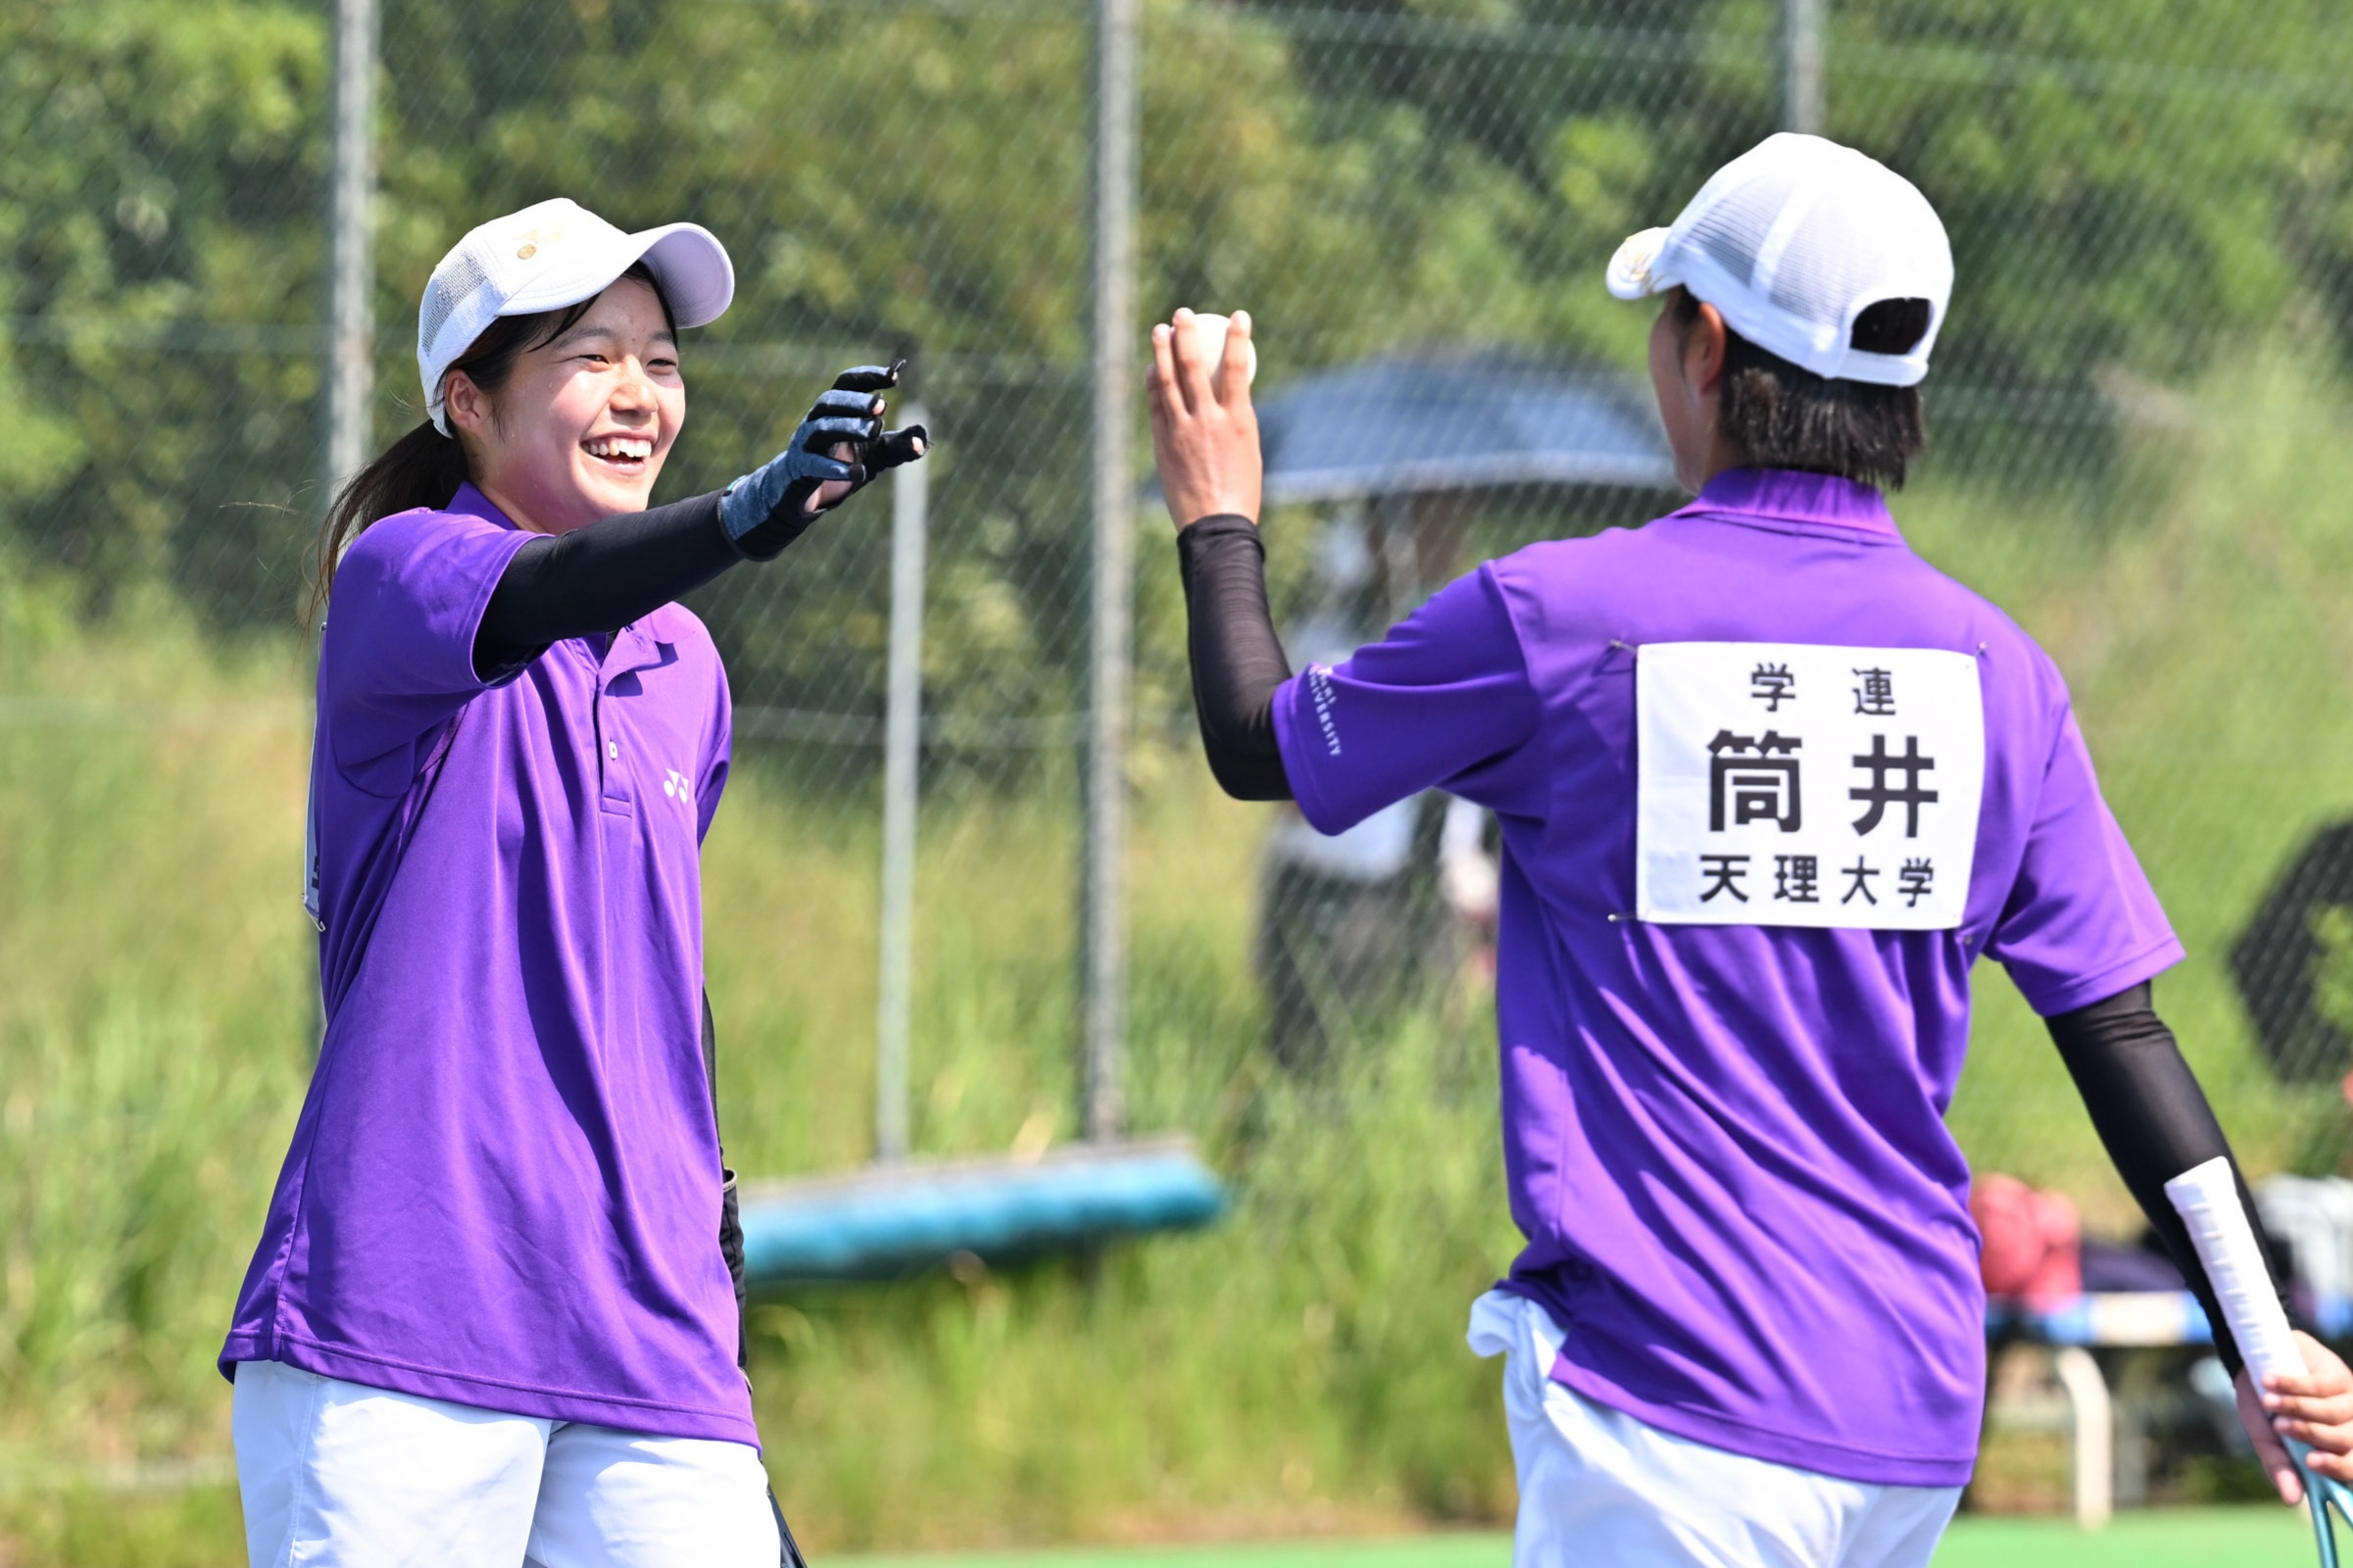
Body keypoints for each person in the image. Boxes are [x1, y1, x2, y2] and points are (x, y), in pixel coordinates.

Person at [1150, 134, 2353, 1565]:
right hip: (1906, 1426)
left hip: (1668, 1414)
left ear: (1705, 347)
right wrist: (2264, 1336)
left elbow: (1262, 745)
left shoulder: (1561, 620)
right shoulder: (1998, 674)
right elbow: (2119, 1032)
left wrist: (1218, 518)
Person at [221, 197, 923, 1567]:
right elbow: (545, 592)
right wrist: (744, 516)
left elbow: (658, 970)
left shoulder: (686, 666)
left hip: (650, 1337)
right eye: (590, 356)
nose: (638, 394)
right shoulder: (400, 574)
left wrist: (708, 1220)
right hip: (403, 1316)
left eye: (660, 361)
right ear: (468, 401)